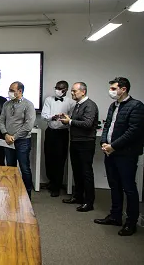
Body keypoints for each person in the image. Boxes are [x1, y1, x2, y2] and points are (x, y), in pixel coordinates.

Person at [94, 77, 144, 236]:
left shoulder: (136, 106)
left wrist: (113, 146)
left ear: (124, 89)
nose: (111, 91)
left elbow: (133, 131)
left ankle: (131, 222)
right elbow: (107, 125)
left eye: (114, 88)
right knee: (114, 185)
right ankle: (115, 216)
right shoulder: (113, 105)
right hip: (110, 152)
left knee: (129, 188)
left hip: (126, 154)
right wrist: (103, 142)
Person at [58, 82, 99, 212]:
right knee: (77, 171)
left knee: (86, 172)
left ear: (83, 91)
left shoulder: (90, 105)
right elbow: (78, 121)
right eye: (72, 91)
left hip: (85, 143)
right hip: (75, 141)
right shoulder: (78, 105)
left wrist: (69, 121)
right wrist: (68, 118)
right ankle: (78, 196)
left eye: (74, 91)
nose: (72, 93)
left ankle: (89, 202)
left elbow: (87, 123)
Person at [0, 81, 36, 197]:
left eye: (12, 90)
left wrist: (14, 137)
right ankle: (11, 192)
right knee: (10, 167)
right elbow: (1, 120)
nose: (9, 92)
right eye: (9, 90)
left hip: (22, 141)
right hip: (8, 140)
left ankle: (27, 195)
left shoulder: (28, 105)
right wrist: (5, 134)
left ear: (20, 91)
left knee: (24, 168)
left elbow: (28, 126)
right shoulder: (6, 104)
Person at [41, 80, 75, 197]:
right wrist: (52, 117)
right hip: (50, 132)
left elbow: (72, 118)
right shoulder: (49, 100)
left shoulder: (71, 102)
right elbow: (44, 116)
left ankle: (57, 186)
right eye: (56, 87)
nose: (57, 90)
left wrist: (65, 119)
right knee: (48, 157)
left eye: (60, 88)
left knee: (60, 160)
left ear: (65, 89)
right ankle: (51, 181)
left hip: (62, 133)